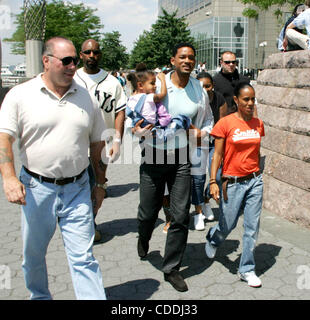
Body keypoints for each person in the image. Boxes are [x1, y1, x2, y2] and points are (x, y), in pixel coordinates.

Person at [0, 36, 107, 299]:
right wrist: (10, 178)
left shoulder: (85, 97)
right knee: (33, 255)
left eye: (74, 60)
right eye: (66, 60)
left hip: (78, 188)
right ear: (46, 61)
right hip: (36, 189)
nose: (73, 66)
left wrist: (101, 184)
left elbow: (97, 145)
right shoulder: (20, 95)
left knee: (84, 257)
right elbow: (4, 137)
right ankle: (40, 296)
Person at [132, 43, 213, 292]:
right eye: (182, 57)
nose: (187, 60)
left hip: (181, 158)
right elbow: (135, 111)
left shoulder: (198, 88)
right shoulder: (157, 83)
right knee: (148, 211)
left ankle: (171, 268)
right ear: (173, 59)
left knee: (179, 215)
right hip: (154, 157)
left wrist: (203, 133)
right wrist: (135, 129)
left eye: (191, 57)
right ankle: (143, 237)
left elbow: (208, 120)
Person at [205, 82, 265, 288]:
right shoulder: (225, 123)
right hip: (232, 183)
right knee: (228, 224)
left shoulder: (258, 124)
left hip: (255, 181)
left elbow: (256, 151)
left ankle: (246, 269)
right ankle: (213, 238)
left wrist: (257, 172)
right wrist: (213, 181)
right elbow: (217, 155)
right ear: (236, 101)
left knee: (251, 228)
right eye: (246, 99)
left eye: (252, 99)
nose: (250, 103)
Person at [75, 39, 127, 241]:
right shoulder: (73, 77)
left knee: (98, 186)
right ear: (81, 55)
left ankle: (90, 222)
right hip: (76, 144)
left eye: (95, 52)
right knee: (79, 187)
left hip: (102, 143)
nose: (91, 56)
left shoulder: (112, 82)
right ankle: (83, 227)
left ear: (100, 55)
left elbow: (120, 112)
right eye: (87, 52)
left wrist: (117, 140)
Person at [192, 72, 227, 231]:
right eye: (201, 86)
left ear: (212, 85)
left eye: (208, 86)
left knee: (218, 175)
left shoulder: (219, 98)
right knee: (198, 179)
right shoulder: (193, 99)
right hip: (198, 143)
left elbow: (223, 122)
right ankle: (198, 211)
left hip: (213, 142)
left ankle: (206, 199)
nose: (204, 89)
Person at [126, 64, 191, 143]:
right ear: (140, 85)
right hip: (153, 130)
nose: (155, 86)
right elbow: (163, 94)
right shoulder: (148, 97)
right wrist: (163, 79)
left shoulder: (130, 99)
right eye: (152, 83)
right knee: (179, 121)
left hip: (142, 130)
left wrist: (134, 130)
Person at [213, 51, 251, 115]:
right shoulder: (215, 81)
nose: (231, 64)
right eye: (227, 62)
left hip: (242, 119)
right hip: (223, 119)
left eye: (233, 62)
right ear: (221, 62)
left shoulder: (245, 80)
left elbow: (252, 102)